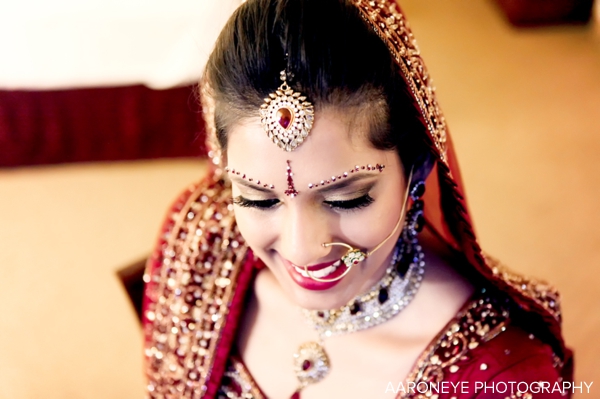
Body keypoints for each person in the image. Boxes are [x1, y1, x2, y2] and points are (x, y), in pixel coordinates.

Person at [142, 0, 573, 398]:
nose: (302, 248)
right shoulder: (199, 242)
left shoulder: (505, 375)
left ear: (419, 164)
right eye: (258, 200)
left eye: (347, 199)